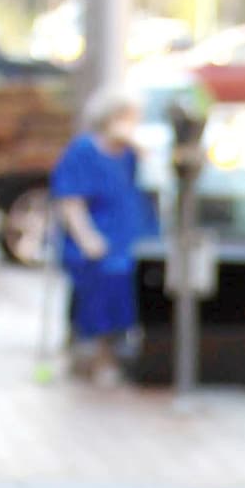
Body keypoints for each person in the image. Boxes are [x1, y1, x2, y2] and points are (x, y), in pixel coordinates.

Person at [50, 88, 157, 386]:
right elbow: (70, 200)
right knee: (107, 275)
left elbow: (157, 177)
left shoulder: (130, 154)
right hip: (94, 237)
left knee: (137, 275)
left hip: (130, 236)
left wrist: (138, 147)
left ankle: (123, 349)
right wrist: (87, 237)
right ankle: (99, 353)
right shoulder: (84, 150)